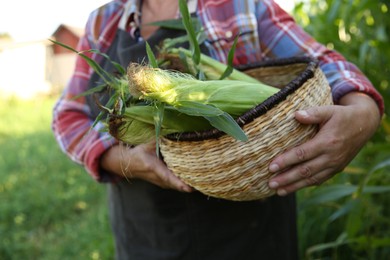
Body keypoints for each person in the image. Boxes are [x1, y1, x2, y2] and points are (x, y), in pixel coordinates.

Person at [52, 0, 384, 259]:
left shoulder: (239, 6)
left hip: (250, 234)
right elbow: (68, 116)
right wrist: (121, 158)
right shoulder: (103, 22)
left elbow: (325, 64)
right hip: (147, 234)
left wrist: (364, 112)